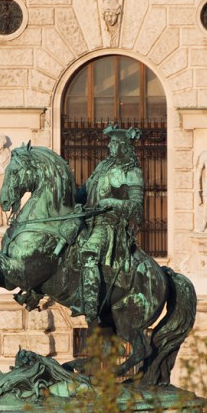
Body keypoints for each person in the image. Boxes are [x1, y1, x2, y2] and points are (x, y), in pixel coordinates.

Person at [72, 124, 144, 324]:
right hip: (87, 219)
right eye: (110, 143)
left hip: (110, 225)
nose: (110, 147)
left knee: (89, 254)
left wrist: (111, 203)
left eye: (114, 143)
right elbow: (83, 193)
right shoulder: (102, 167)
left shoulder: (132, 172)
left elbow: (137, 208)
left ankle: (91, 309)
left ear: (123, 146)